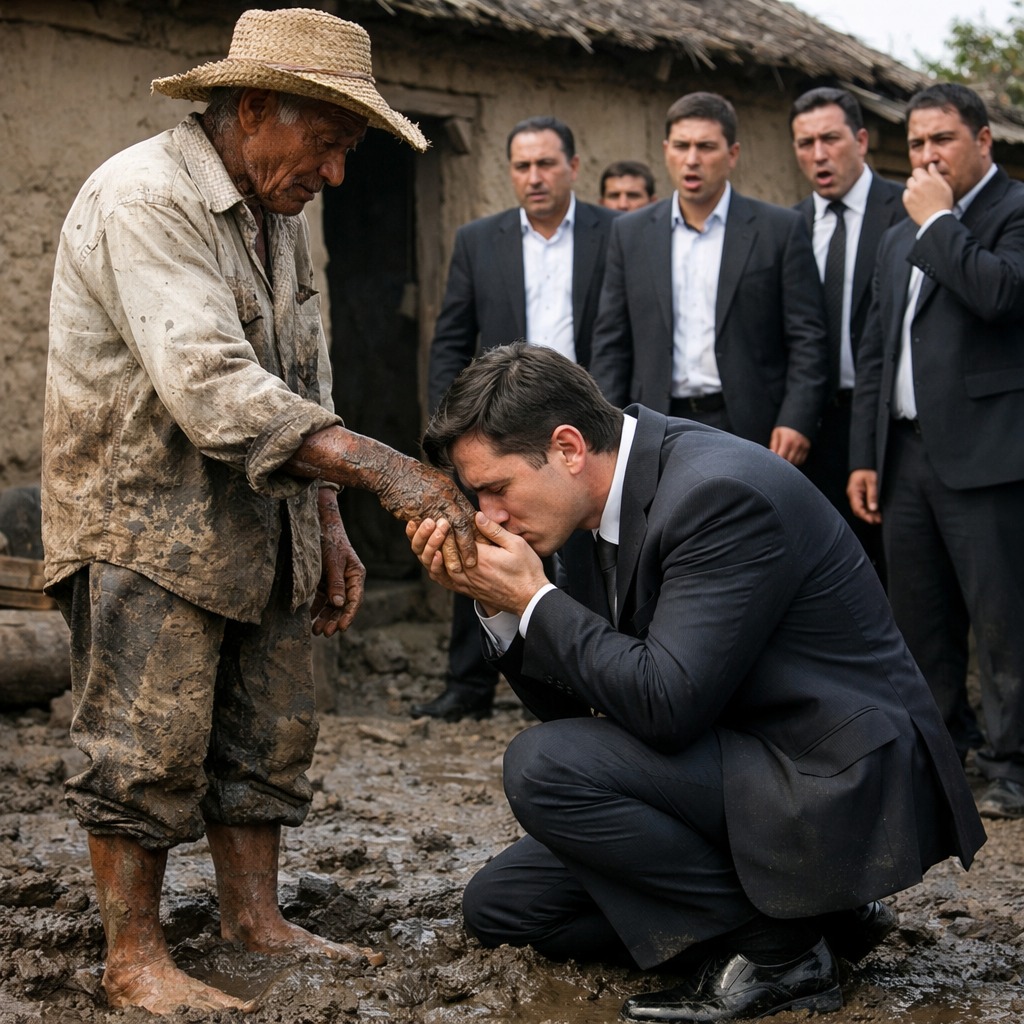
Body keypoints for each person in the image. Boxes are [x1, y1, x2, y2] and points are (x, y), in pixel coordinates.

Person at [42, 8, 477, 1015]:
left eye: (347, 151)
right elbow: (218, 391)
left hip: (261, 525)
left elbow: (302, 371)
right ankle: (133, 957)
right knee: (143, 749)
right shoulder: (145, 198)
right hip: (145, 525)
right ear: (252, 110)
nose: (334, 173)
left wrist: (325, 521)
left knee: (268, 735)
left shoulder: (278, 219)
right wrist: (392, 473)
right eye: (325, 144)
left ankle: (255, 920)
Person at [407, 342, 985, 1024]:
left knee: (543, 766)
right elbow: (592, 703)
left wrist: (538, 600)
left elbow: (663, 705)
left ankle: (780, 949)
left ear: (566, 447)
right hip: (744, 753)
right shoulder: (598, 499)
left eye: (496, 489)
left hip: (833, 778)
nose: (489, 516)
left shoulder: (717, 493)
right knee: (505, 908)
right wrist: (506, 608)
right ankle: (822, 923)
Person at [848, 82, 1024, 820]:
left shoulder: (1012, 212)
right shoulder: (900, 234)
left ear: (983, 141)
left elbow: (1001, 295)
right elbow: (878, 351)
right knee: (918, 622)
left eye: (941, 140)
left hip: (990, 457)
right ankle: (940, 753)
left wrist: (941, 222)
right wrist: (867, 452)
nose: (925, 156)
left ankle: (1014, 766)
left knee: (1005, 622)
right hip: (907, 455)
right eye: (916, 144)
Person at [415, 116, 616, 723]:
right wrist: (449, 436)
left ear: (573, 167)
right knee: (477, 540)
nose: (535, 177)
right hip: (497, 428)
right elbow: (451, 338)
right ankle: (468, 686)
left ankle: (583, 682)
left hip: (574, 429)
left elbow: (621, 331)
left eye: (547, 164)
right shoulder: (481, 239)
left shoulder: (615, 233)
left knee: (582, 557)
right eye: (522, 166)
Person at [590, 91, 828, 467]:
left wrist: (796, 419)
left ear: (732, 154)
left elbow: (808, 339)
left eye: (706, 146)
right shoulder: (630, 233)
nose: (692, 159)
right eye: (682, 145)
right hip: (655, 423)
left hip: (752, 425)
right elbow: (611, 342)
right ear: (666, 149)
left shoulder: (778, 229)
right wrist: (610, 425)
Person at [790, 86, 905, 577]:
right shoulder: (787, 226)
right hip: (812, 429)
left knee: (901, 577)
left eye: (831, 139)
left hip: (888, 425)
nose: (819, 154)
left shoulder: (906, 213)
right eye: (805, 142)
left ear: (861, 139)